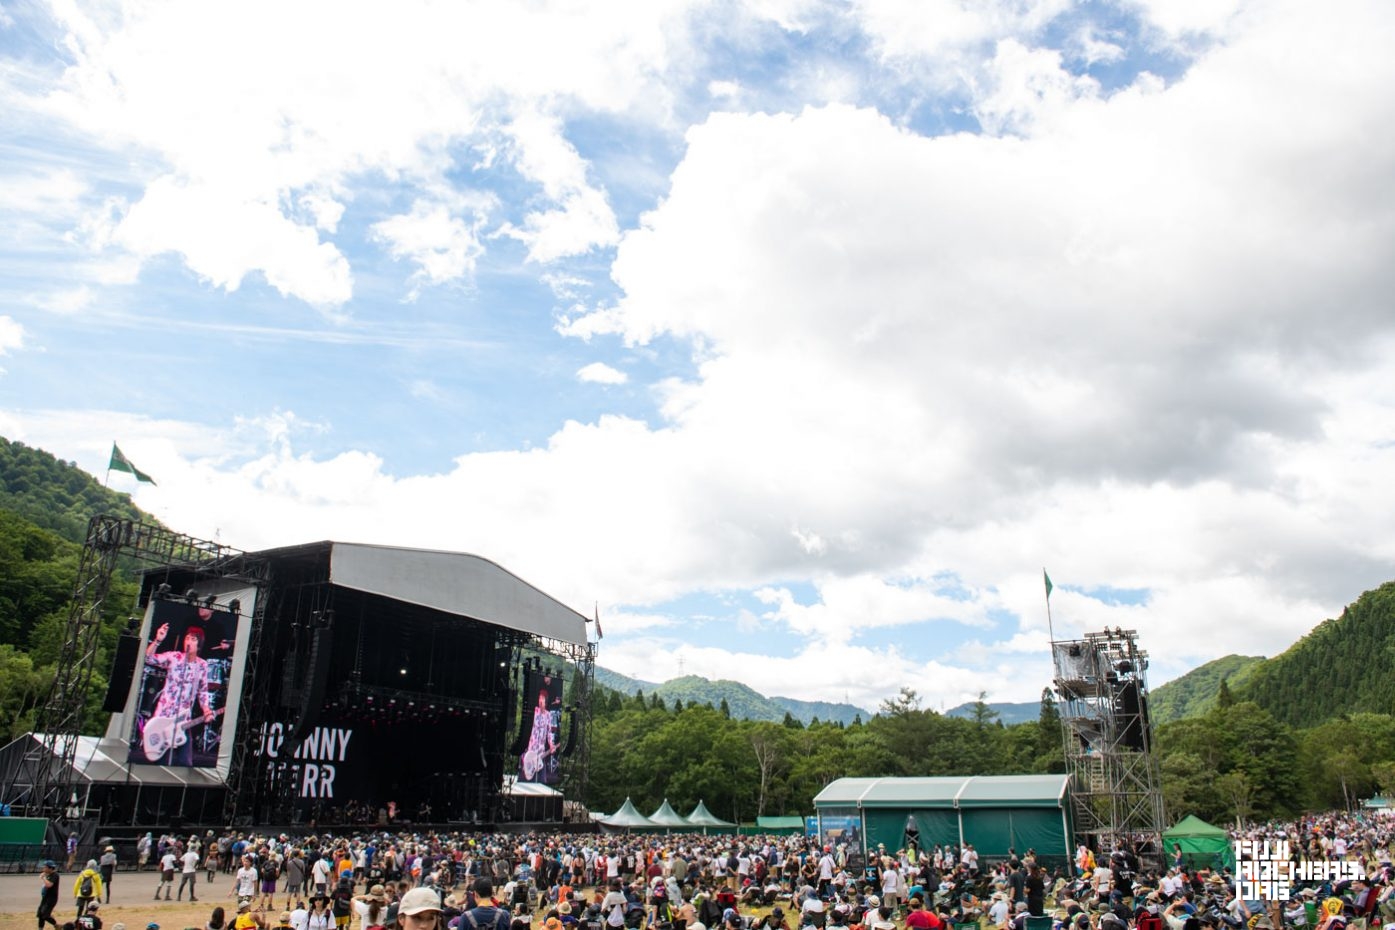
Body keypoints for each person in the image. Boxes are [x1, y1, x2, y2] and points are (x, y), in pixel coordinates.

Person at [143, 621, 218, 766]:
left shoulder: (202, 665)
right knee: (160, 762)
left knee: (185, 763)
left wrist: (206, 710)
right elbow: (148, 658)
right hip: (164, 716)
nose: (188, 642)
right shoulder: (174, 657)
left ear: (199, 644)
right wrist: (158, 640)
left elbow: (202, 691)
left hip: (183, 720)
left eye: (193, 639)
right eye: (187, 638)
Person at [520, 688, 558, 783]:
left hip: (541, 753)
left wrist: (551, 744)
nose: (540, 700)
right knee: (526, 780)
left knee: (541, 781)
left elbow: (549, 732)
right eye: (540, 698)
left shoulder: (548, 715)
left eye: (543, 698)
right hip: (530, 751)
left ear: (546, 701)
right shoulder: (534, 712)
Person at [38, 860, 60, 930]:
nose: (43, 869)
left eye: (45, 867)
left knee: (45, 915)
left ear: (50, 868)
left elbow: (49, 885)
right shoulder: (48, 875)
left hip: (51, 899)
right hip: (45, 898)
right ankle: (40, 928)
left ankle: (56, 925)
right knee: (40, 914)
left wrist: (43, 878)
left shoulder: (55, 875)